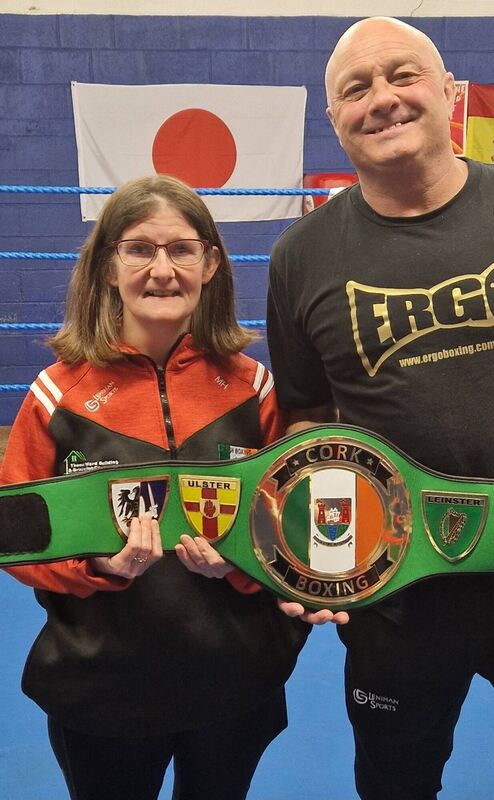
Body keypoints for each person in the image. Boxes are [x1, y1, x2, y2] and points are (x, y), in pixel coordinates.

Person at [266, 16, 494, 800]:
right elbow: (306, 418)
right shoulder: (301, 257)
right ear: (334, 118)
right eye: (355, 89)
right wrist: (312, 546)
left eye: (403, 75)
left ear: (450, 92)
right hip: (395, 606)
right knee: (395, 785)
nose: (381, 99)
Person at [1, 175, 309, 800]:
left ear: (211, 265)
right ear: (108, 266)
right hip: (103, 688)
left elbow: (292, 534)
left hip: (233, 681)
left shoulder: (254, 388)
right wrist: (99, 566)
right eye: (139, 249)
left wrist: (241, 564)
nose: (162, 270)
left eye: (182, 250)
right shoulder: (57, 394)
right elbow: (16, 540)